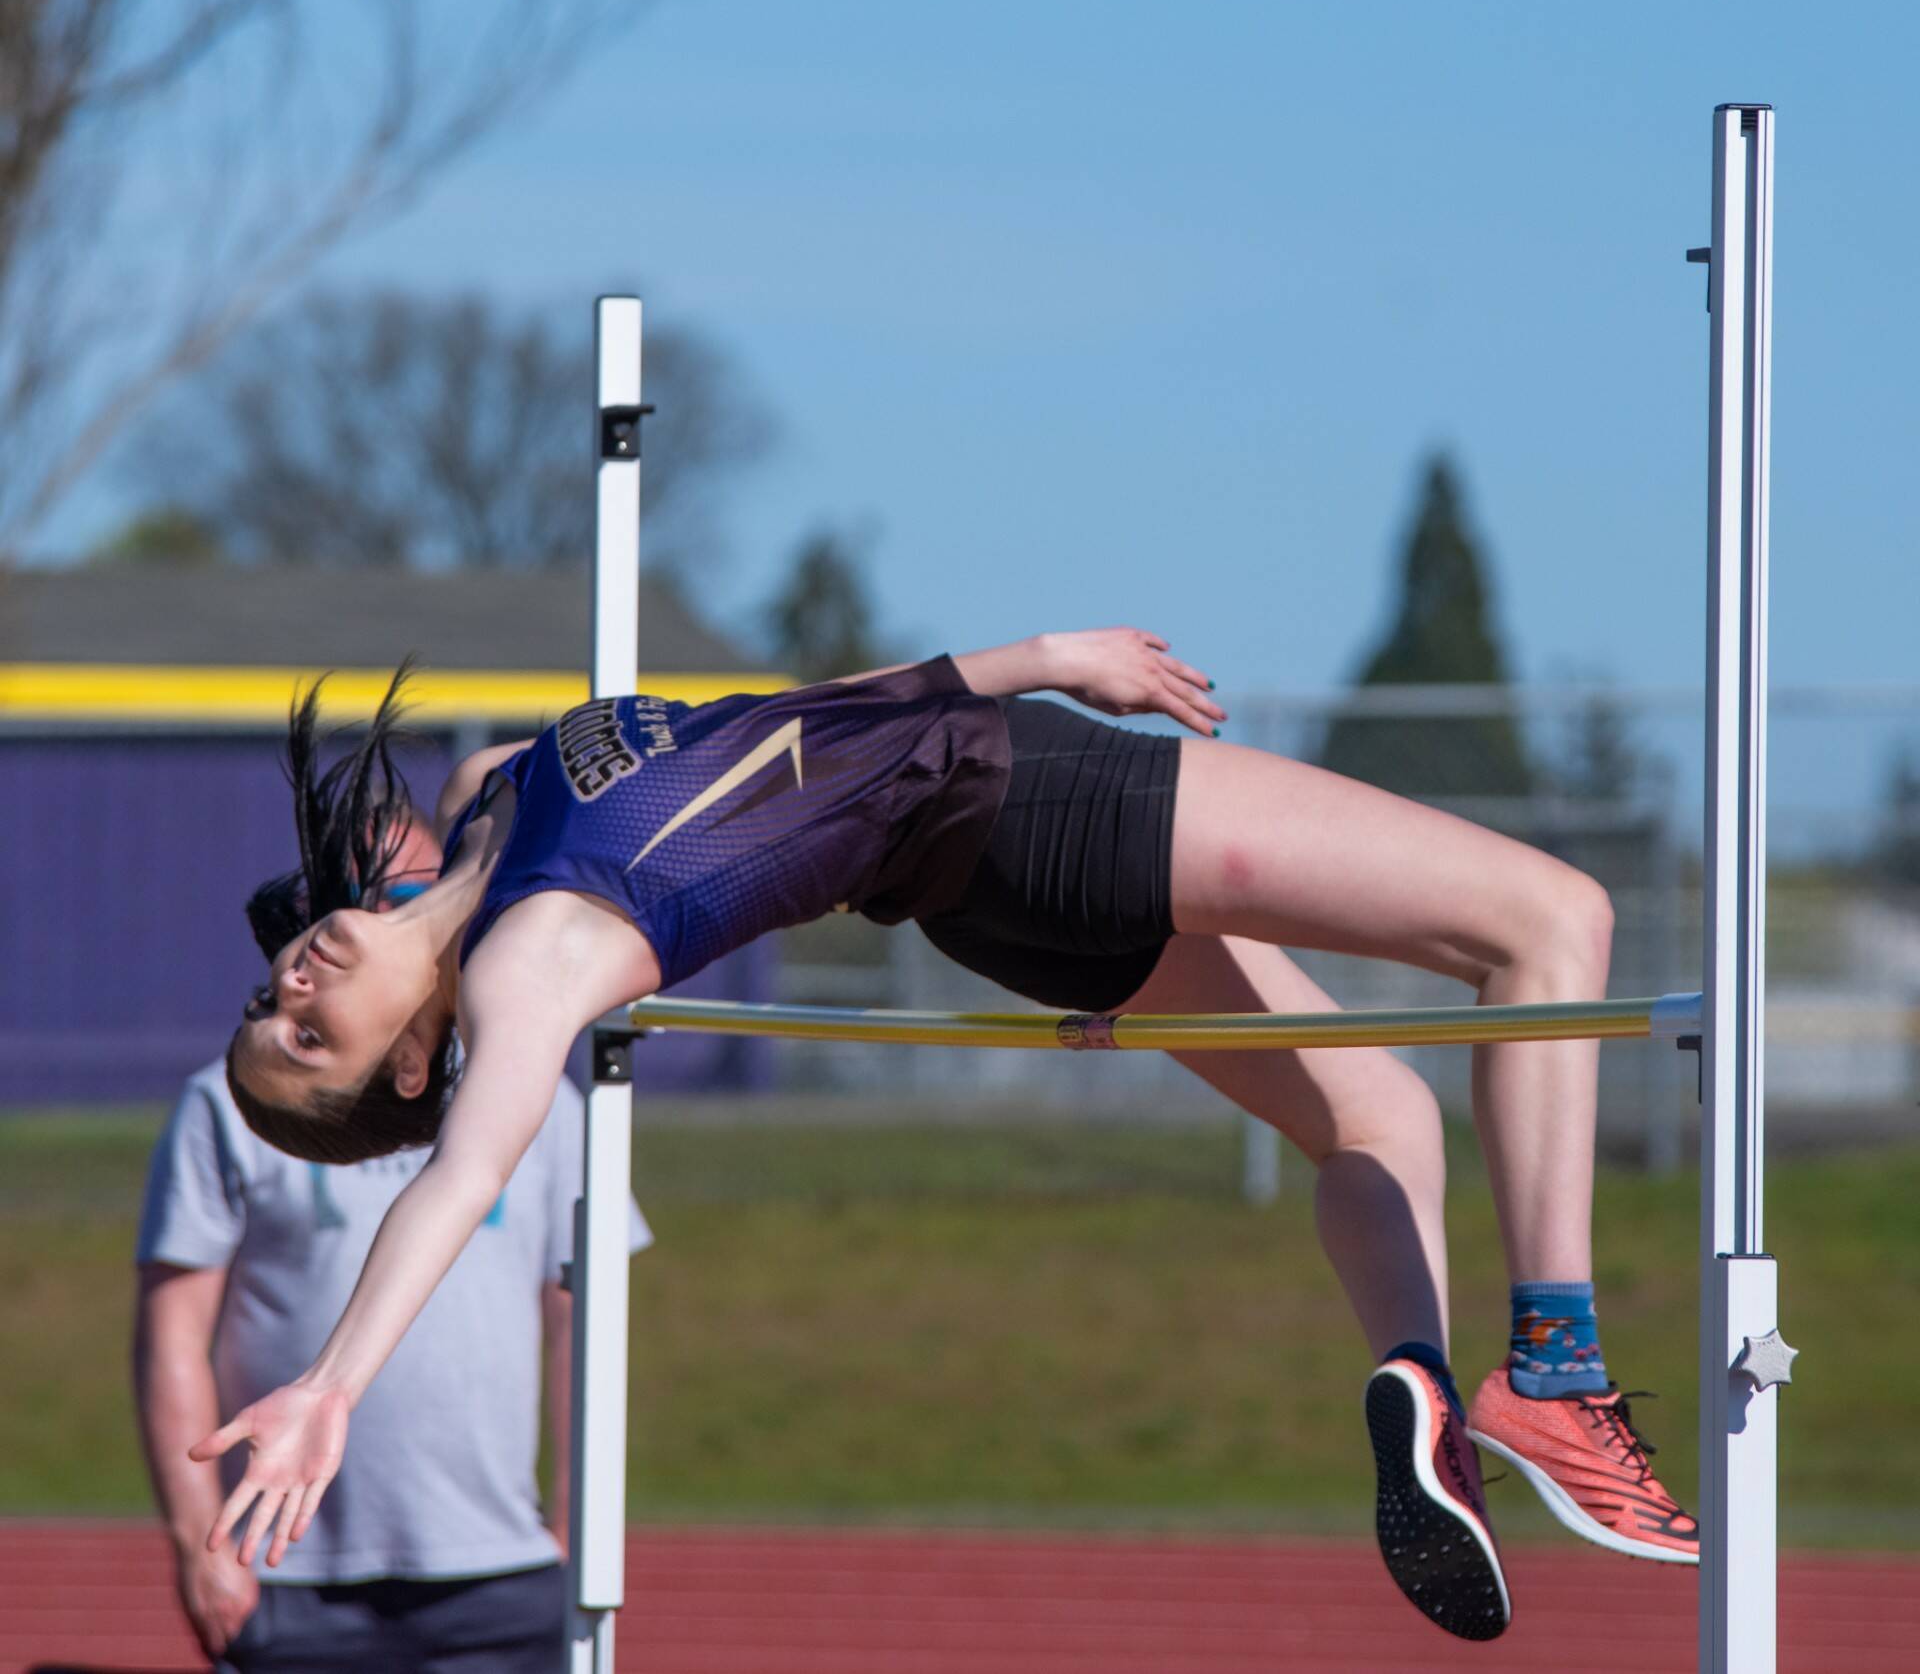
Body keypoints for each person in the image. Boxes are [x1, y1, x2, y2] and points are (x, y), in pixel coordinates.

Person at [206, 629, 1696, 1644]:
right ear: (416, 1061)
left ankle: (1420, 1384)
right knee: (1550, 919)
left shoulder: (482, 802)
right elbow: (466, 1175)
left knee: (1372, 1105)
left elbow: (778, 727)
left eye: (267, 1000)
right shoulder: (535, 965)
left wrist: (1031, 659)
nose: (292, 987)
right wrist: (332, 1385)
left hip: (987, 889)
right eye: (307, 1039)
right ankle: (1558, 1368)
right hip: (1037, 806)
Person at [135, 810, 650, 1671]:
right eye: (368, 898)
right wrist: (201, 1540)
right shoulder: (231, 1102)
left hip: (498, 1559)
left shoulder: (539, 1095)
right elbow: (172, 1335)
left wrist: (575, 1522)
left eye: (419, 892)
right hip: (289, 1566)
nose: (394, 920)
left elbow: (580, 1319)